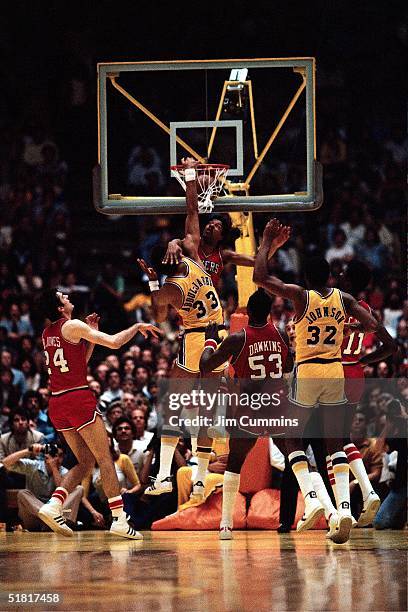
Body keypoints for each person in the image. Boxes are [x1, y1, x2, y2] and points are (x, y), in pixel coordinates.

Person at [253, 219, 381, 543]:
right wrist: (349, 330)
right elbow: (373, 325)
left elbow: (260, 277)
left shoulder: (301, 296)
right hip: (335, 371)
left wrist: (267, 241)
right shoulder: (345, 300)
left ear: (308, 278)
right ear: (328, 276)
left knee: (292, 439)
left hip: (308, 371)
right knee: (334, 444)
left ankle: (312, 499)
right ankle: (345, 508)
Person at [37, 289, 160, 539]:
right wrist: (136, 326)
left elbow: (79, 362)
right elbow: (115, 342)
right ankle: (119, 519)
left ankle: (53, 505)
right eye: (63, 297)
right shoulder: (72, 325)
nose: (68, 298)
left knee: (85, 461)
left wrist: (89, 337)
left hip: (58, 402)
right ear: (60, 308)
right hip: (77, 398)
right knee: (105, 459)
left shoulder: (47, 333)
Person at [137, 158, 227, 499]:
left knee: (178, 403)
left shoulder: (180, 272)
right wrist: (191, 174)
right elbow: (192, 206)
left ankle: (173, 476)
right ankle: (189, 478)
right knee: (195, 407)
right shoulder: (184, 266)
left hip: (204, 337)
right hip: (209, 335)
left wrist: (150, 283)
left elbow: (158, 314)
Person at [200, 288, 293, 539]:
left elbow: (205, 365)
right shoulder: (281, 334)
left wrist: (210, 340)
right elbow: (289, 365)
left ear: (248, 312)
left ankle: (226, 524)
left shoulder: (237, 338)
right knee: (294, 457)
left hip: (249, 405)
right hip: (276, 403)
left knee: (235, 463)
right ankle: (321, 506)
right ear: (270, 311)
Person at [337, 259, 396, 526]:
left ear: (347, 282)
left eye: (343, 274)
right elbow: (391, 346)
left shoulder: (336, 304)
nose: (338, 275)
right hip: (355, 373)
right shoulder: (367, 310)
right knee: (339, 438)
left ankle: (346, 505)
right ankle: (353, 500)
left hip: (333, 371)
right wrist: (364, 361)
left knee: (330, 441)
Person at [163, 157, 255, 288]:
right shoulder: (192, 245)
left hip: (211, 305)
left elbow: (256, 261)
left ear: (222, 236)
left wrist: (272, 244)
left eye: (217, 226)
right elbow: (191, 213)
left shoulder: (223, 255)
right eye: (210, 222)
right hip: (190, 302)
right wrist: (173, 243)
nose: (211, 225)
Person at [0, 443, 83, 532]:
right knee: (22, 493)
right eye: (54, 455)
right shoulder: (34, 466)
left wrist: (54, 468)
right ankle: (51, 518)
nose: (58, 459)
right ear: (46, 456)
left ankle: (53, 519)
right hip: (35, 517)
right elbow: (5, 463)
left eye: (61, 456)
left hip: (57, 513)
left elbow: (61, 488)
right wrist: (28, 450)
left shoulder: (64, 471)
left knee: (79, 489)